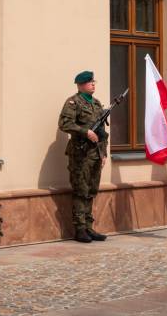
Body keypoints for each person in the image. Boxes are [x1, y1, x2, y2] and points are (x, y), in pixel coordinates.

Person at [58, 70, 108, 243]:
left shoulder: (97, 103)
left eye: (94, 81)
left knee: (91, 190)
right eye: (89, 82)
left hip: (95, 154)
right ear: (80, 85)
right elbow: (64, 124)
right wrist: (85, 132)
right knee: (81, 191)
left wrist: (103, 153)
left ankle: (88, 227)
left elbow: (102, 133)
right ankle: (80, 229)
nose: (93, 84)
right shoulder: (73, 103)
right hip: (80, 154)